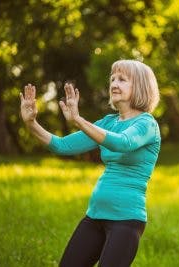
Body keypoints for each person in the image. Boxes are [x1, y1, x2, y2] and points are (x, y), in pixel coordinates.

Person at [20, 59, 161, 267]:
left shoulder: (147, 123)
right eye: (112, 79)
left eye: (122, 80)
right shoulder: (108, 122)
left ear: (140, 86)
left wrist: (78, 120)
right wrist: (31, 123)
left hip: (126, 220)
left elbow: (123, 143)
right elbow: (62, 146)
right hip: (95, 215)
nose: (114, 83)